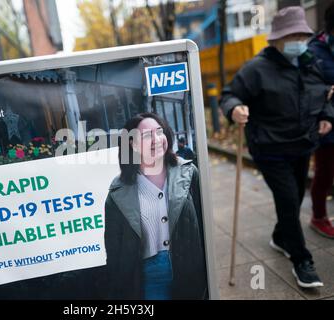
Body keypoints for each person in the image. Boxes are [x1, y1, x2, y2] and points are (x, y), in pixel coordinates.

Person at [220, 6, 334, 288]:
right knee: (287, 199)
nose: (297, 39)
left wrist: (326, 117)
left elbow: (325, 96)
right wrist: (235, 109)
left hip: (302, 144)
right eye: (290, 35)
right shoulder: (257, 69)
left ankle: (281, 236)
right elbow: (230, 95)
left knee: (294, 197)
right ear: (276, 39)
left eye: (301, 34)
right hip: (269, 148)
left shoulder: (311, 65)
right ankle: (301, 260)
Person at [104, 112, 207, 300]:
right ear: (132, 144)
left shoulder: (190, 173)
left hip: (189, 270)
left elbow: (203, 227)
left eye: (159, 132)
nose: (157, 140)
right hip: (147, 278)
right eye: (146, 136)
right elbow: (114, 251)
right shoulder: (117, 192)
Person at [308, 2, 334, 238]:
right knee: (325, 171)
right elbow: (308, 86)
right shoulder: (314, 50)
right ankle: (318, 216)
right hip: (326, 121)